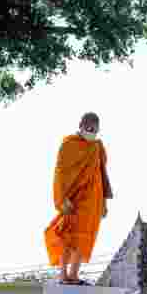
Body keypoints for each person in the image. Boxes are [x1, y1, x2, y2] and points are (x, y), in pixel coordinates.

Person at [45, 112, 113, 285]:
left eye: (95, 129)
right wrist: (62, 198)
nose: (92, 131)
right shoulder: (69, 144)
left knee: (84, 238)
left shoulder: (97, 147)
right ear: (81, 124)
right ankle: (63, 275)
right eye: (89, 127)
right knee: (67, 236)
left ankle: (74, 275)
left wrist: (104, 202)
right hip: (73, 199)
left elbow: (102, 174)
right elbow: (60, 173)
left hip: (93, 200)